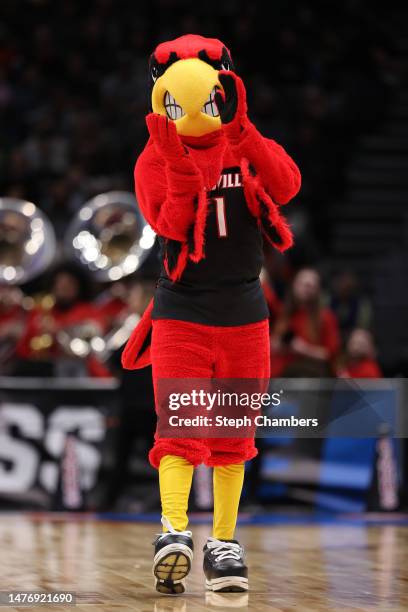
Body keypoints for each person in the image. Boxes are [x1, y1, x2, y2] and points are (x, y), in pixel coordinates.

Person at [122, 34, 300, 594]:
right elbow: (172, 226)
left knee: (233, 434)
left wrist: (246, 134)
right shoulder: (153, 156)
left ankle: (223, 544)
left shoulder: (246, 142)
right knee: (180, 425)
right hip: (184, 308)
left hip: (245, 309)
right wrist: (179, 164)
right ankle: (173, 531)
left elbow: (288, 185)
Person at [15, 262, 106, 377]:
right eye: (59, 283)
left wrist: (57, 331)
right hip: (44, 375)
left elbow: (90, 339)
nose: (63, 287)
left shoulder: (89, 312)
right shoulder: (40, 312)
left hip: (85, 376)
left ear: (79, 286)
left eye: (69, 283)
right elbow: (23, 351)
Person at [270, 268, 339, 377]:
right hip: (280, 378)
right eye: (302, 284)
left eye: (311, 285)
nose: (306, 288)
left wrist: (303, 349)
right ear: (293, 286)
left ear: (318, 290)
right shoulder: (281, 314)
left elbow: (331, 356)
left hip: (310, 378)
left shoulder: (326, 317)